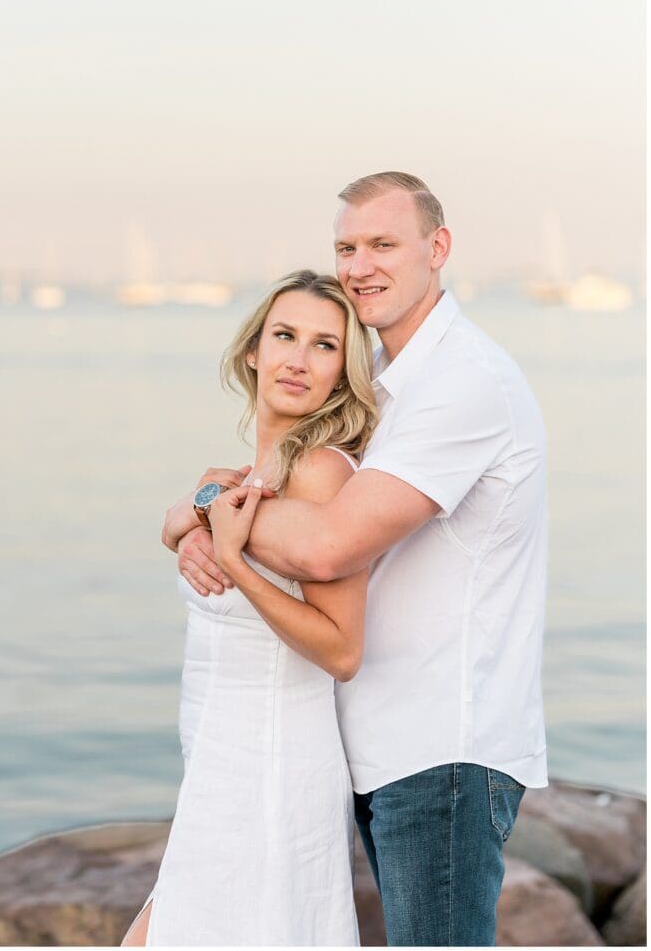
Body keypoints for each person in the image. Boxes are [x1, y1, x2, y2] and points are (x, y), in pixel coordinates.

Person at [168, 171, 549, 947]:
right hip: (376, 745)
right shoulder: (387, 388)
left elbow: (330, 543)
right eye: (347, 246)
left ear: (437, 249)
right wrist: (198, 512)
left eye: (384, 243)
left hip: (443, 746)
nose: (361, 264)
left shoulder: (460, 384)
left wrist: (204, 512)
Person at [122, 270, 378, 946]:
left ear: (343, 374)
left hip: (274, 761)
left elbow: (342, 650)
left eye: (325, 346)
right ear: (252, 352)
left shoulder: (321, 472)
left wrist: (231, 556)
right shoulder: (237, 478)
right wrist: (186, 522)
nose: (298, 358)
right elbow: (206, 527)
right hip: (215, 757)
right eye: (285, 336)